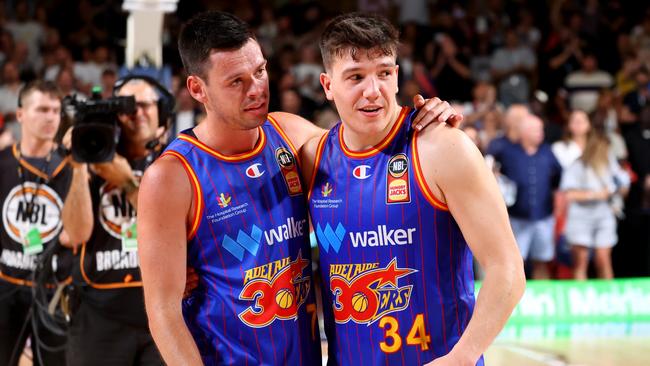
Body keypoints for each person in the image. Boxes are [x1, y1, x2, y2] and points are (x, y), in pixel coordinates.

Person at [137, 11, 461, 366]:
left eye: (260, 71)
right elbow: (163, 314)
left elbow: (365, 152)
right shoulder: (170, 177)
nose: (257, 89)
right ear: (198, 89)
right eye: (236, 82)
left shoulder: (291, 135)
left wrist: (423, 117)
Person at [300, 13, 525, 365]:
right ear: (328, 85)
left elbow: (507, 270)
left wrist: (462, 357)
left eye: (384, 73)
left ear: (397, 75)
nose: (373, 90)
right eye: (356, 77)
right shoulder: (312, 157)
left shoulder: (442, 146)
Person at [65, 75, 173, 366]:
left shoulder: (176, 163)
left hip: (162, 316)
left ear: (162, 114)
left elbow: (177, 232)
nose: (136, 112)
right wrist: (78, 164)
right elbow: (74, 235)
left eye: (144, 105)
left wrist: (127, 183)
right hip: (98, 317)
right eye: (126, 106)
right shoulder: (90, 157)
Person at [0, 80, 92, 366]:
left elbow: (77, 234)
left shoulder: (71, 165)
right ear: (20, 115)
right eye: (42, 109)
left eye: (56, 110)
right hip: (6, 284)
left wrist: (80, 168)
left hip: (53, 290)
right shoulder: (3, 161)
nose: (51, 117)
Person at [493, 114, 562, 279]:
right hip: (517, 217)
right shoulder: (507, 151)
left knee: (542, 260)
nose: (540, 133)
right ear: (522, 132)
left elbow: (558, 175)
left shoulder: (547, 151)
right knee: (515, 263)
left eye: (541, 129)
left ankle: (543, 298)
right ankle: (518, 301)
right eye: (535, 130)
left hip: (544, 216)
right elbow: (492, 169)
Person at [560, 129, 630, 279]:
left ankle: (608, 297)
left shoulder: (610, 165)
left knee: (603, 259)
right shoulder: (578, 165)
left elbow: (622, 185)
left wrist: (621, 188)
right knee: (581, 260)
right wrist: (595, 194)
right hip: (580, 216)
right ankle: (581, 296)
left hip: (604, 214)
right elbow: (569, 194)